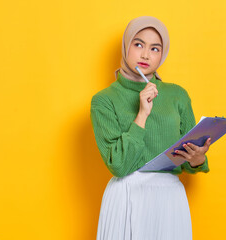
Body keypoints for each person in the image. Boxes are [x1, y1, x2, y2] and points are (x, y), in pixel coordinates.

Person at [90, 16, 211, 240]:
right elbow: (118, 165)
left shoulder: (177, 95)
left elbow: (190, 156)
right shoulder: (104, 100)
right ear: (126, 46)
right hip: (127, 196)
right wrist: (142, 114)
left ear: (162, 54)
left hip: (170, 199)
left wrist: (198, 159)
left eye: (155, 48)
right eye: (138, 44)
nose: (146, 55)